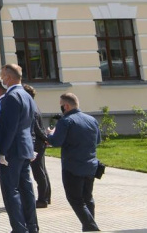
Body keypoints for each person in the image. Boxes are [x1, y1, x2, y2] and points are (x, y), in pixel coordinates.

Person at [46, 93, 100, 232]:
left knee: (75, 199)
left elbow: (56, 142)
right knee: (87, 198)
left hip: (72, 166)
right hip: (90, 165)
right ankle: (88, 228)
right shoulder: (91, 119)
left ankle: (92, 228)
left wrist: (50, 134)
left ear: (66, 106)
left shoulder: (66, 121)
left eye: (61, 106)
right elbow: (98, 140)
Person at [0, 64, 39, 233]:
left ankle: (19, 228)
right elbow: (30, 125)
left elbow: (9, 127)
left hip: (11, 151)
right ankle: (32, 226)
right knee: (26, 190)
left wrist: (1, 151)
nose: (2, 79)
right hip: (24, 149)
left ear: (9, 78)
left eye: (3, 76)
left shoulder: (11, 97)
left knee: (11, 191)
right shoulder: (27, 96)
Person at [22, 85, 50, 209]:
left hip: (37, 143)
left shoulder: (31, 108)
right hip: (40, 142)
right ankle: (46, 197)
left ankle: (43, 199)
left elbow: (36, 128)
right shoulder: (35, 105)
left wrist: (45, 138)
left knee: (38, 172)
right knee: (42, 170)